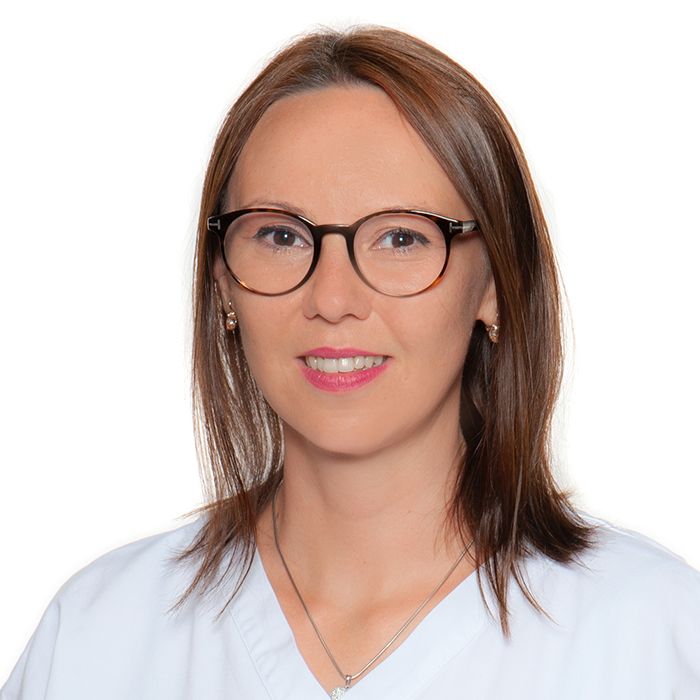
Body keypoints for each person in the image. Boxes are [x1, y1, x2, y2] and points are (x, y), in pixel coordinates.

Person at [2, 24, 699, 700]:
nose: (332, 300)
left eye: (401, 238)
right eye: (280, 236)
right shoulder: (98, 636)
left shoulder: (652, 637)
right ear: (222, 285)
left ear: (494, 284)